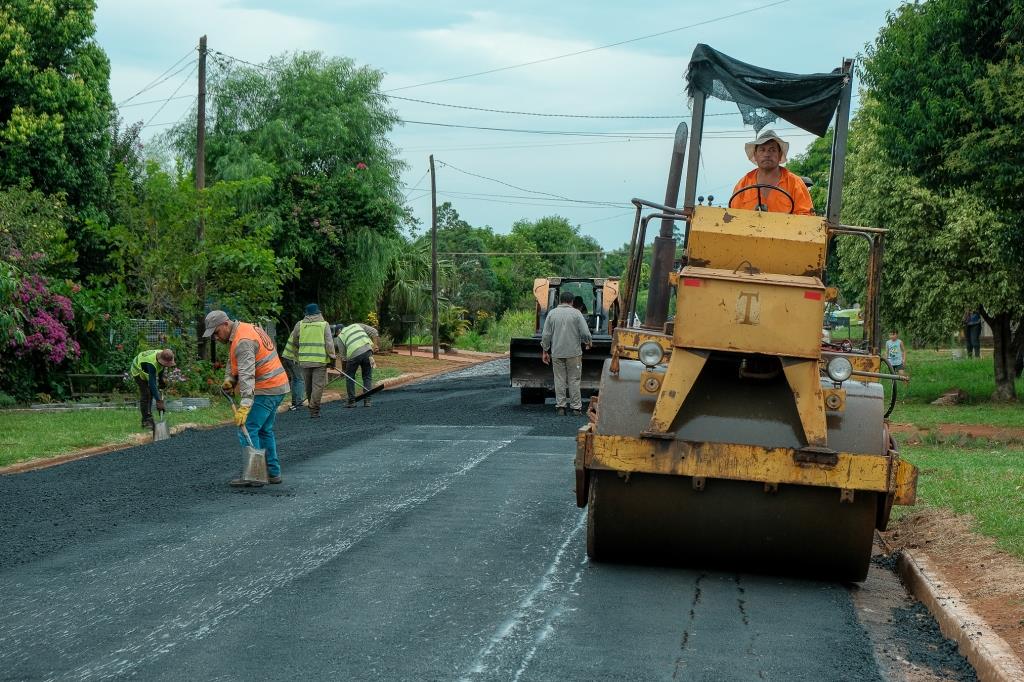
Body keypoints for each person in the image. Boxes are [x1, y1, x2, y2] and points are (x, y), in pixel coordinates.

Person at [204, 310, 289, 487]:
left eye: (216, 332)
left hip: (266, 388)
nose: (215, 338)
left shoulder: (243, 340)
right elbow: (233, 361)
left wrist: (244, 406)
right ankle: (273, 472)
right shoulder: (245, 329)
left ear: (225, 324)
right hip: (278, 385)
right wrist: (229, 380)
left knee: (248, 428)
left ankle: (255, 475)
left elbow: (247, 374)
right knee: (264, 430)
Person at [730, 130, 814, 215]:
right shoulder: (743, 184)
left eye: (772, 150)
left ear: (780, 154)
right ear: (755, 155)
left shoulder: (795, 183)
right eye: (762, 150)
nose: (767, 154)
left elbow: (806, 216)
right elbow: (732, 216)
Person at [541, 290, 593, 416]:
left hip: (557, 353)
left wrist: (545, 350)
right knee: (574, 380)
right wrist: (588, 342)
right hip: (574, 353)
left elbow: (546, 335)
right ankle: (576, 408)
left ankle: (561, 407)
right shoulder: (577, 313)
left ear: (560, 301)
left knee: (559, 380)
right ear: (572, 301)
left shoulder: (552, 314)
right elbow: (585, 332)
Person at [289, 303, 336, 418]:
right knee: (318, 386)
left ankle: (313, 409)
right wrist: (332, 358)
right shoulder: (324, 325)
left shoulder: (299, 325)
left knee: (308, 386)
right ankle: (314, 408)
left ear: (306, 314)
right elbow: (329, 344)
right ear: (318, 313)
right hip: (319, 361)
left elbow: (294, 341)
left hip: (304, 360)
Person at [335, 321, 380, 407]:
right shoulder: (357, 325)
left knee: (350, 377)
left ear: (338, 331)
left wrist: (344, 371)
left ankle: (351, 401)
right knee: (367, 376)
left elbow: (344, 358)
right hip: (368, 351)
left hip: (354, 354)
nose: (337, 336)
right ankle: (367, 401)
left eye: (336, 334)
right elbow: (374, 332)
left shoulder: (340, 337)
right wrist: (375, 345)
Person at [129, 348, 176, 429]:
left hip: (146, 368)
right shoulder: (151, 363)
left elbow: (162, 367)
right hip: (137, 369)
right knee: (146, 394)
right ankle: (146, 421)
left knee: (150, 393)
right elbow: (152, 383)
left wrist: (161, 380)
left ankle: (149, 417)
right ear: (161, 359)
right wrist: (158, 401)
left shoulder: (162, 355)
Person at [280, 331, 305, 411]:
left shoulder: (298, 327)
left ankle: (295, 402)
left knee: (295, 379)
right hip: (293, 358)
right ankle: (299, 402)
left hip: (287, 355)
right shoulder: (304, 331)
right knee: (300, 379)